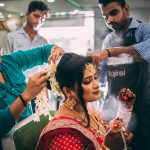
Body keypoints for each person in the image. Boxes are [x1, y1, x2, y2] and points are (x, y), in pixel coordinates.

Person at [36, 53, 135, 150]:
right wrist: (109, 147)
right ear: (68, 91)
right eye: (87, 81)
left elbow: (108, 138)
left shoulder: (89, 109)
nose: (96, 85)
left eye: (95, 77)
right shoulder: (62, 135)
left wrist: (125, 108)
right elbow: (108, 144)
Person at [90, 0, 150, 149]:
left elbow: (147, 50)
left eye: (114, 12)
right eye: (105, 16)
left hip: (144, 110)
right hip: (116, 112)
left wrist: (111, 52)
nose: (110, 20)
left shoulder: (144, 30)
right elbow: (103, 78)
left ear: (126, 9)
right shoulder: (108, 40)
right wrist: (92, 69)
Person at [0, 44, 64, 138]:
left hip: (27, 131)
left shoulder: (9, 61)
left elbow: (42, 52)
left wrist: (55, 50)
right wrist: (26, 96)